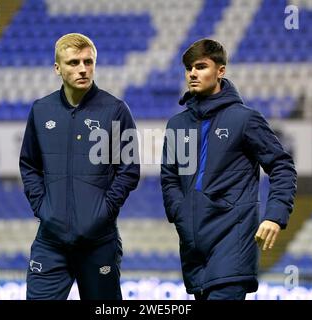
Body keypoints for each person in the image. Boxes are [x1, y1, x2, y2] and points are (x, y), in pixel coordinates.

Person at [161, 39, 297, 300]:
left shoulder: (244, 119)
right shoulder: (177, 125)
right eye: (189, 68)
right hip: (193, 248)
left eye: (201, 66)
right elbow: (170, 179)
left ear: (220, 71)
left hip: (232, 242)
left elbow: (282, 166)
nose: (192, 73)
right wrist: (180, 214)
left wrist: (274, 215)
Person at [19, 33, 140, 300]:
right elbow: (29, 165)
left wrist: (104, 211)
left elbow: (129, 169)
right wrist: (42, 208)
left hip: (99, 243)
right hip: (50, 242)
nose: (83, 69)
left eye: (88, 61)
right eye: (73, 62)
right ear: (57, 68)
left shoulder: (116, 110)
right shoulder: (41, 110)